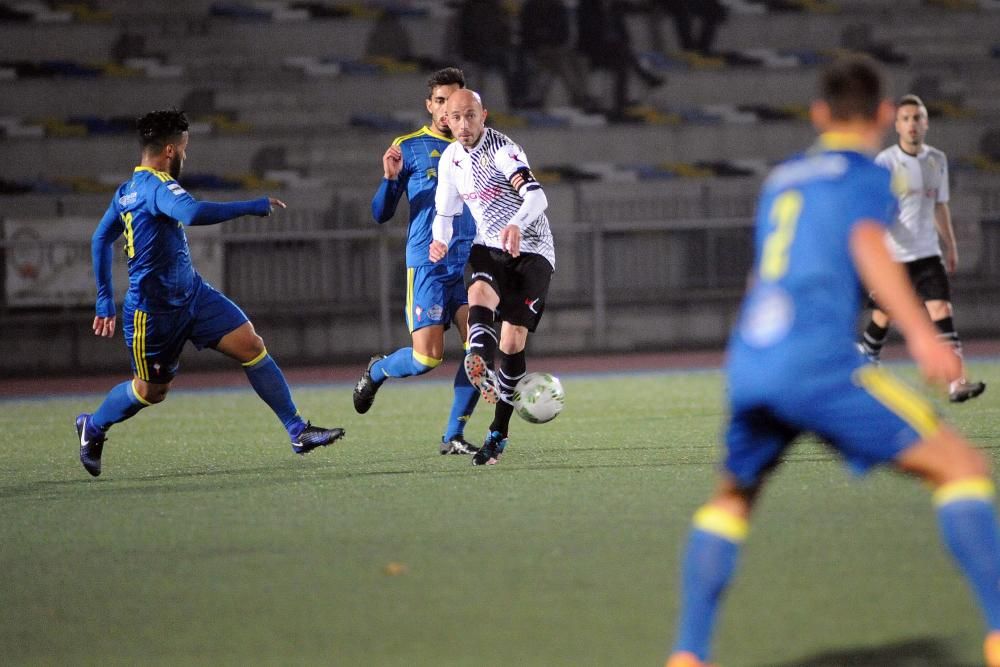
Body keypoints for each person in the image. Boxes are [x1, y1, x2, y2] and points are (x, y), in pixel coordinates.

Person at [665, 57, 1000, 667]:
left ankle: (688, 655)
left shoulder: (784, 178)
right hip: (816, 364)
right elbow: (870, 248)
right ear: (879, 114)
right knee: (961, 466)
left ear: (818, 114)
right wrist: (925, 336)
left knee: (731, 501)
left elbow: (760, 272)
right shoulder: (862, 175)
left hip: (754, 359)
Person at [76, 109, 344, 477]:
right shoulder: (155, 186)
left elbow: (100, 237)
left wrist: (105, 297)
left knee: (251, 345)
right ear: (170, 150)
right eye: (184, 149)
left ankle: (298, 430)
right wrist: (251, 206)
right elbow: (193, 212)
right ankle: (94, 426)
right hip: (153, 314)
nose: (186, 156)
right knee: (150, 391)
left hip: (193, 295)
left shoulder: (127, 190)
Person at [352, 67, 481, 456]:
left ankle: (453, 435)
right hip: (427, 264)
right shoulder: (409, 146)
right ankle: (377, 371)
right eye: (441, 102)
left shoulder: (480, 146)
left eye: (455, 102)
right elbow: (380, 214)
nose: (448, 111)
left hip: (468, 265)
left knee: (480, 352)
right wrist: (389, 180)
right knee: (427, 357)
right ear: (430, 105)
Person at [432, 89, 555, 466]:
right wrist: (439, 241)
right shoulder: (451, 159)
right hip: (489, 246)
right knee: (480, 291)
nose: (464, 125)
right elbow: (445, 214)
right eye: (456, 118)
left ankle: (497, 434)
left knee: (513, 342)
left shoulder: (503, 150)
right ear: (446, 120)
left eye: (471, 116)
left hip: (532, 250)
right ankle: (479, 363)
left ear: (484, 115)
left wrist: (517, 224)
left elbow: (537, 198)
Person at [858, 93, 986, 403]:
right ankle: (864, 367)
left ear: (926, 123)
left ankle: (956, 381)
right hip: (894, 257)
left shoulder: (936, 160)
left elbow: (939, 205)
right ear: (897, 126)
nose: (912, 124)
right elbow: (872, 209)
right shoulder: (885, 162)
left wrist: (951, 245)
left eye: (917, 118)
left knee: (942, 311)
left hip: (928, 254)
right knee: (883, 318)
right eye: (905, 119)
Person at [576, 0, 664, 120]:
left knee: (622, 59)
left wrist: (648, 7)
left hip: (614, 49)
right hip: (595, 50)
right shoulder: (587, 6)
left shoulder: (615, 5)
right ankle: (644, 79)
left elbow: (632, 9)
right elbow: (588, 32)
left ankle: (622, 101)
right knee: (623, 55)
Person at [518, 0, 597, 111]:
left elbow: (562, 33)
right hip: (535, 49)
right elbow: (527, 32)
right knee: (560, 63)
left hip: (555, 49)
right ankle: (580, 97)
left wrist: (552, 43)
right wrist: (541, 44)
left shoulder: (558, 8)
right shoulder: (530, 8)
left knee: (564, 61)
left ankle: (536, 98)